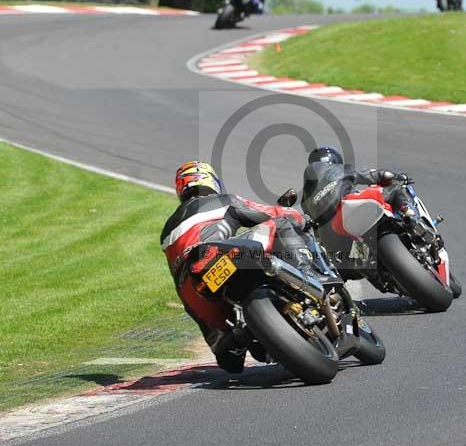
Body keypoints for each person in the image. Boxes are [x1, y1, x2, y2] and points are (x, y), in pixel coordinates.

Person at [160, 160, 316, 373]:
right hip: (227, 257)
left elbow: (181, 287)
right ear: (213, 182)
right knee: (281, 222)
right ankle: (307, 273)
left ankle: (231, 337)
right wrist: (300, 217)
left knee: (230, 361)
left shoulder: (167, 232)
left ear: (180, 190)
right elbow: (269, 213)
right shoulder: (223, 201)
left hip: (199, 288)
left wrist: (214, 335)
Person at [300, 147, 412, 277]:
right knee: (394, 187)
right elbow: (371, 175)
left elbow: (314, 233)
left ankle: (375, 266)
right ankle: (409, 213)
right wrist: (397, 177)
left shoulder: (305, 201)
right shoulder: (337, 170)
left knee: (358, 264)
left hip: (338, 243)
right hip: (350, 212)